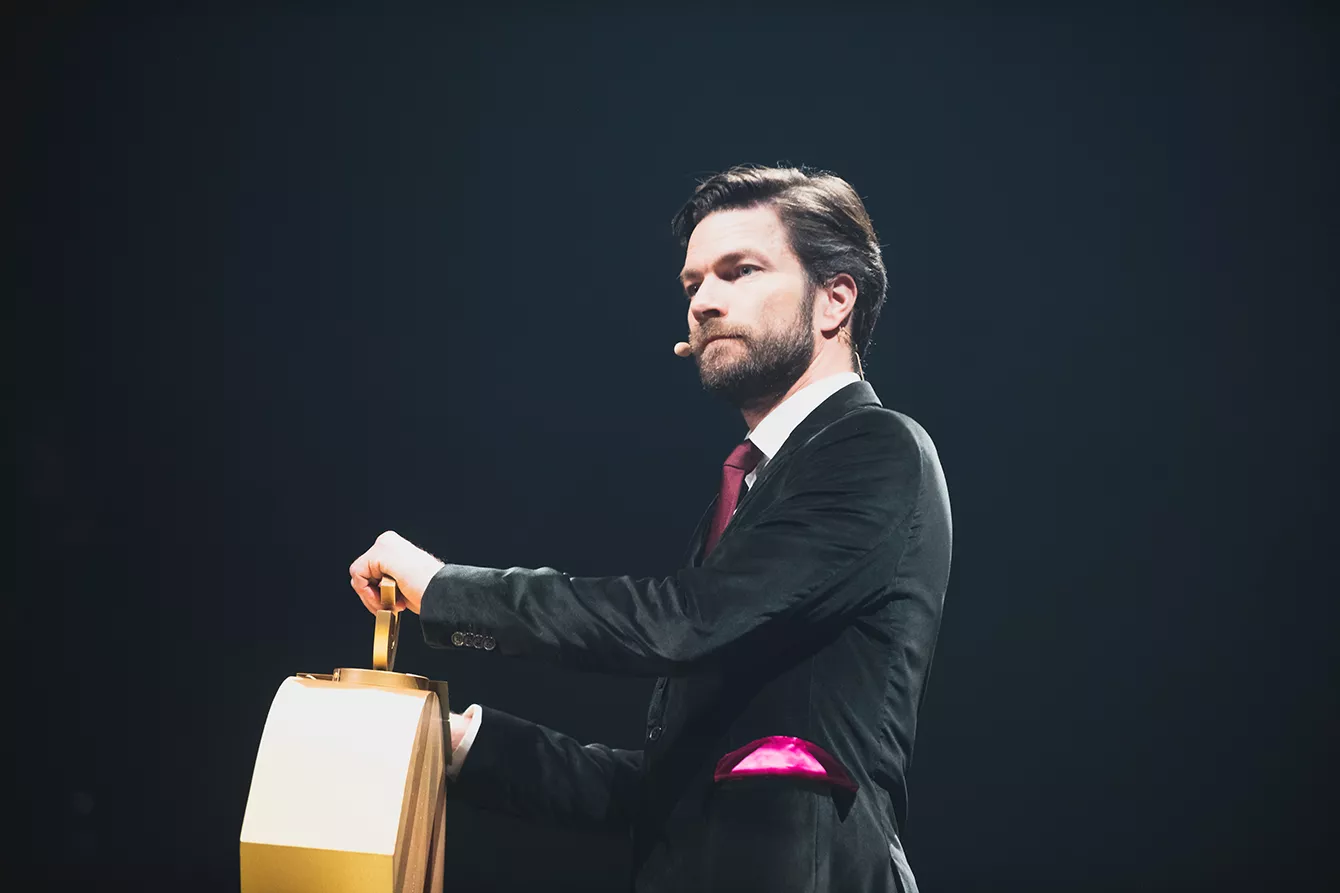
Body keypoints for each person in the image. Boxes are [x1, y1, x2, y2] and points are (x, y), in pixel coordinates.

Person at [349, 164, 951, 892]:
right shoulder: (748, 493)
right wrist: (460, 744)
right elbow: (670, 790)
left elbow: (684, 621)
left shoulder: (875, 448)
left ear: (835, 299)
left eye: (740, 271)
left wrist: (448, 590)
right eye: (693, 284)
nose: (704, 302)